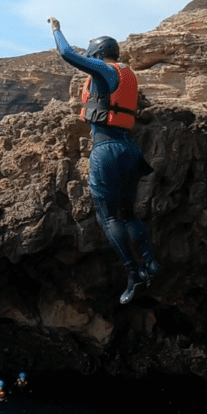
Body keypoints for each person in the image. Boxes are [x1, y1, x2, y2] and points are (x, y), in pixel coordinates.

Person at [48, 17, 161, 303]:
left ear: (98, 54)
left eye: (91, 55)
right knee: (129, 214)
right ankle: (151, 262)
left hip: (106, 149)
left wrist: (56, 29)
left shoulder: (103, 70)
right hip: (129, 149)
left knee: (109, 216)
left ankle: (133, 273)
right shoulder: (126, 74)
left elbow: (66, 54)